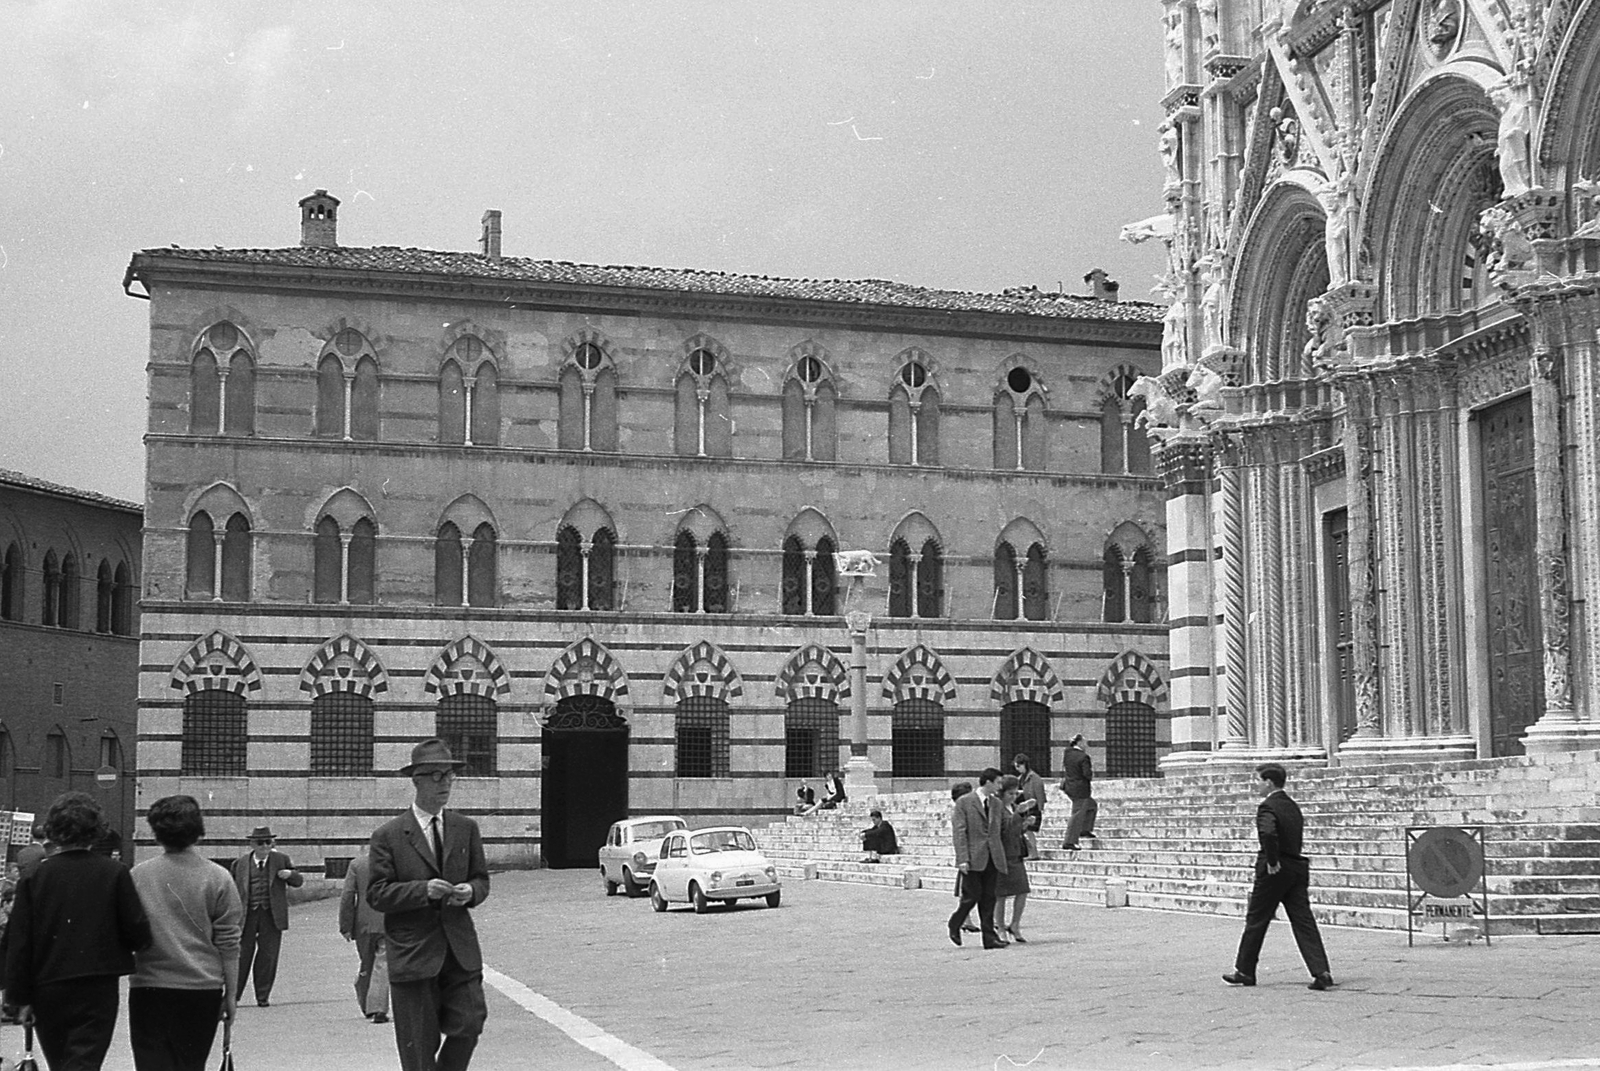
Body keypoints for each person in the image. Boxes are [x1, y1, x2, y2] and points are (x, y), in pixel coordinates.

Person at [3, 791, 152, 1070]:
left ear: (54, 833)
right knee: (85, 1061)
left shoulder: (34, 877)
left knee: (60, 1062)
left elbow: (19, 942)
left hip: (48, 987)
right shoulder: (114, 872)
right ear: (95, 831)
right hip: (97, 987)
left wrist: (18, 999)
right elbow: (137, 930)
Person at [368, 739, 491, 1071]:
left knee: (471, 1021)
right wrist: (422, 890)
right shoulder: (388, 835)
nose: (445, 783)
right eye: (436, 776)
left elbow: (482, 879)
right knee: (418, 1051)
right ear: (416, 780)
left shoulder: (466, 828)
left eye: (449, 775)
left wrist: (470, 891)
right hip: (413, 954)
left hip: (459, 950)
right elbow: (377, 894)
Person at [130, 794, 243, 1071]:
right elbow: (229, 943)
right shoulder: (218, 877)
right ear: (198, 831)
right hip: (201, 989)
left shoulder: (138, 876)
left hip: (149, 987)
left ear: (156, 832)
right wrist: (230, 995)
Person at [1224, 764, 1335, 991]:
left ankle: (1245, 970)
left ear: (1269, 782)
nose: (1255, 785)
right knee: (1303, 920)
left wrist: (1273, 860)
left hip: (1275, 869)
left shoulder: (1267, 807)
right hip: (1296, 867)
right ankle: (1321, 970)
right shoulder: (1292, 806)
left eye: (1258, 780)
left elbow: (1268, 833)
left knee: (1256, 919)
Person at [230, 824, 303, 1007]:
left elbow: (298, 881)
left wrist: (290, 874)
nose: (264, 847)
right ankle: (234, 996)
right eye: (260, 843)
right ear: (252, 845)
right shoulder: (240, 864)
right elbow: (230, 890)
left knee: (268, 957)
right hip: (247, 916)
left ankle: (262, 996)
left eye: (268, 842)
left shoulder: (281, 859)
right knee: (241, 955)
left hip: (271, 916)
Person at [947, 767, 1008, 950]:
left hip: (992, 856)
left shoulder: (996, 804)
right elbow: (959, 832)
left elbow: (1003, 827)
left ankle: (989, 938)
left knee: (989, 897)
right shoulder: (965, 802)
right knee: (971, 896)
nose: (999, 786)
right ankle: (955, 922)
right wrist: (962, 859)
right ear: (988, 782)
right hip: (973, 857)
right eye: (997, 782)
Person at [340, 847, 390, 1023]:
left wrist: (345, 925)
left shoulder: (357, 864)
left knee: (367, 963)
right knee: (382, 964)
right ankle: (376, 1007)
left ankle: (371, 1006)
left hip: (363, 924)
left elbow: (347, 896)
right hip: (389, 921)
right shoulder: (396, 863)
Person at [994, 775, 1036, 945]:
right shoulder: (998, 809)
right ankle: (1001, 927)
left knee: (1022, 890)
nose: (1013, 797)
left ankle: (1015, 924)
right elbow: (1006, 829)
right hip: (1003, 853)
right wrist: (1019, 815)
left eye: (1014, 793)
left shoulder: (1012, 808)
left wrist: (1025, 823)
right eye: (1009, 794)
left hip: (1016, 853)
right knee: (1001, 894)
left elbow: (1016, 830)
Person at [949, 783, 979, 934]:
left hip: (975, 855)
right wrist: (963, 858)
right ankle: (964, 920)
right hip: (968, 856)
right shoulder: (960, 813)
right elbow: (959, 836)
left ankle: (965, 920)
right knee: (967, 890)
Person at [1060, 735, 1098, 850]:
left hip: (1070, 787)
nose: (1086, 745)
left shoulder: (1068, 754)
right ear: (1080, 742)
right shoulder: (1083, 757)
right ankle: (1069, 841)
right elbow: (1087, 774)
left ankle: (1085, 829)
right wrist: (1092, 774)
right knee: (1077, 814)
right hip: (1080, 789)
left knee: (1092, 806)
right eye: (1085, 742)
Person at [1012, 753, 1047, 859]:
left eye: (1018, 766)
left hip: (1033, 807)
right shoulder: (1020, 778)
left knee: (1029, 831)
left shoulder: (1034, 778)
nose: (1017, 769)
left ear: (1024, 765)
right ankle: (1031, 852)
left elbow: (1040, 793)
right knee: (1026, 831)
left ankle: (1034, 853)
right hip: (1024, 807)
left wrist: (1040, 807)